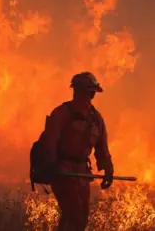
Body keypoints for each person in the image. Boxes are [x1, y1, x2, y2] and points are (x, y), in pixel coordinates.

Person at [41, 71, 114, 231]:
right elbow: (50, 144)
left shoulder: (96, 118)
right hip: (63, 170)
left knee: (79, 219)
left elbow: (102, 148)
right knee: (75, 214)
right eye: (80, 92)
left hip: (82, 172)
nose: (83, 96)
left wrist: (108, 169)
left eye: (88, 93)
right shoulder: (61, 113)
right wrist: (52, 167)